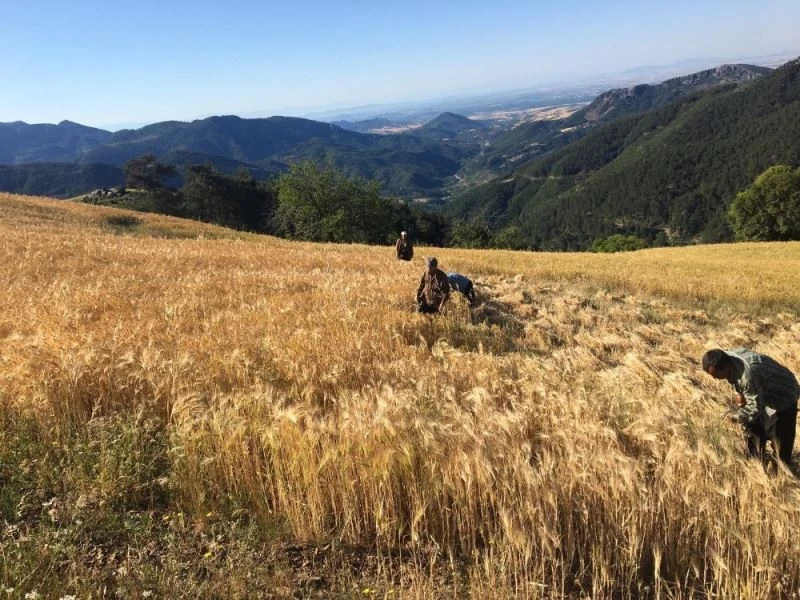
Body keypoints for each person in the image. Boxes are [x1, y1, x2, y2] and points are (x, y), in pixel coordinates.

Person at [702, 348, 800, 467]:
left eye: (716, 375)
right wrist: (740, 393)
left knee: (780, 442)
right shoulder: (726, 357)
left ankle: (781, 471)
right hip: (762, 391)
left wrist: (736, 417)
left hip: (784, 395)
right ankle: (755, 464)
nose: (714, 378)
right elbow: (745, 391)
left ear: (725, 367)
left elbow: (755, 407)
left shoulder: (747, 375)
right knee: (753, 432)